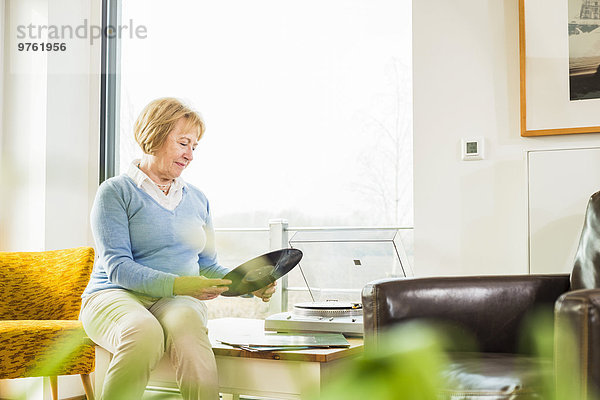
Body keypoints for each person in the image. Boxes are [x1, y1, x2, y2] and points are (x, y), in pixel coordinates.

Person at [80, 97, 276, 400]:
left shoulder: (198, 199)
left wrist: (250, 283)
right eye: (184, 143)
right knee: (142, 332)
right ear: (155, 135)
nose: (190, 155)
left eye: (194, 147)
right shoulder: (115, 192)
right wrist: (181, 284)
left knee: (188, 328)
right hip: (113, 295)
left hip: (176, 299)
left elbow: (207, 265)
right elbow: (118, 268)